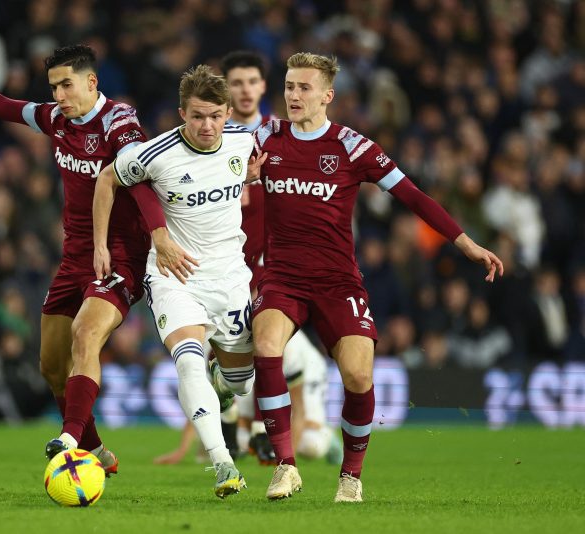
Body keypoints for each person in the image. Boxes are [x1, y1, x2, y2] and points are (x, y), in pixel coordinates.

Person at [0, 45, 167, 474]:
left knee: (86, 333)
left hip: (118, 258)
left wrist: (159, 236)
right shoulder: (56, 119)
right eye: (53, 86)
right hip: (74, 257)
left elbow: (142, 183)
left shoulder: (119, 121)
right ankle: (93, 447)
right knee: (52, 365)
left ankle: (70, 439)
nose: (58, 94)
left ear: (92, 82)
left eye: (67, 84)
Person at [247, 52, 504, 502]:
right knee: (266, 347)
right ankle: (285, 466)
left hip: (338, 282)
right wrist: (243, 183)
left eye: (304, 88)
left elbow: (414, 197)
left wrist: (466, 243)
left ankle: (350, 475)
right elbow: (214, 171)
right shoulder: (264, 136)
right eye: (289, 86)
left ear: (327, 95)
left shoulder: (352, 146)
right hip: (281, 277)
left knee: (359, 377)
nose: (293, 95)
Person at [93, 65, 257, 498]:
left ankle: (224, 386)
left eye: (216, 116)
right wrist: (102, 245)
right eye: (198, 115)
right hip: (174, 275)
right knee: (188, 359)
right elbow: (108, 178)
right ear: (182, 112)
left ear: (227, 113)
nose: (208, 126)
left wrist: (253, 176)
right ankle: (223, 463)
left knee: (241, 382)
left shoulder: (245, 139)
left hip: (231, 277)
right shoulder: (153, 153)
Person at [222, 50, 342, 465]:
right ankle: (242, 428)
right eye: (234, 82)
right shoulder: (214, 138)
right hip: (226, 268)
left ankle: (276, 433)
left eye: (251, 81)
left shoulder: (278, 137)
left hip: (271, 270)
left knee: (269, 353)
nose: (243, 90)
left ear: (261, 87)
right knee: (230, 352)